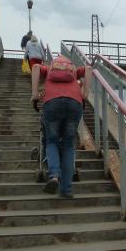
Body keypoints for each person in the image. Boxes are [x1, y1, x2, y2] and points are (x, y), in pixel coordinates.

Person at [30, 57, 91, 199]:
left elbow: (35, 68)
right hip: (74, 103)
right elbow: (88, 69)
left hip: (51, 103)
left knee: (52, 141)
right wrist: (85, 93)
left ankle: (54, 176)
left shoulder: (49, 68)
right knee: (69, 145)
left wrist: (34, 94)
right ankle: (66, 190)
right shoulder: (74, 70)